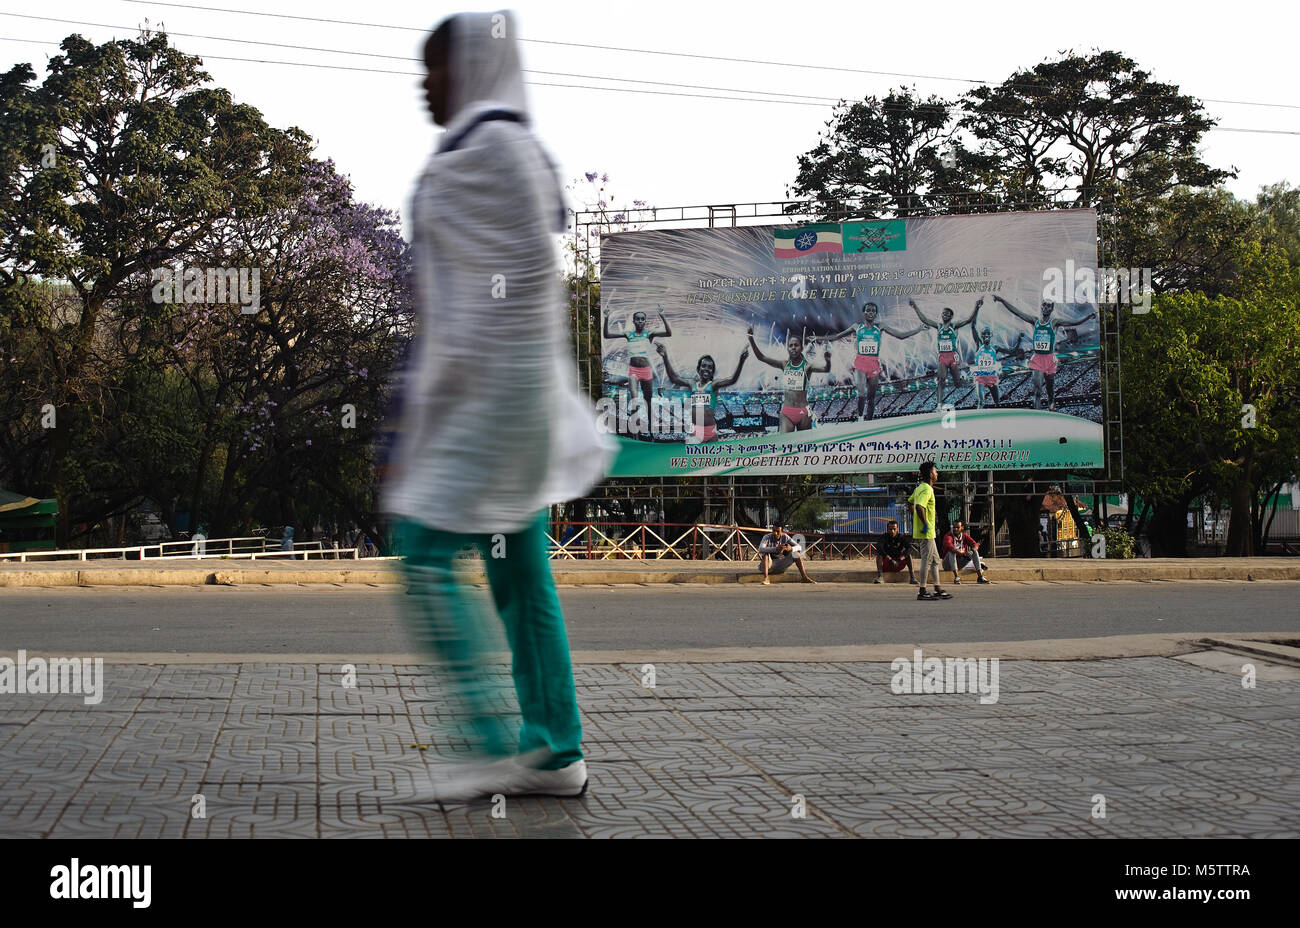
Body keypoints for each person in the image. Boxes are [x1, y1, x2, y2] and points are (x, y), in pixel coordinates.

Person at [384, 11, 614, 802]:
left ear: (472, 70)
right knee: (520, 579)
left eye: (435, 68)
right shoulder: (517, 152)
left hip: (487, 409)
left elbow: (463, 318)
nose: (424, 85)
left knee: (419, 553)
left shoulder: (477, 158)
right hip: (527, 407)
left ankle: (489, 745)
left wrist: (424, 421)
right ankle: (556, 750)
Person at [816, 302, 924, 421]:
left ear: (876, 314)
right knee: (862, 394)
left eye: (873, 311)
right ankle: (860, 418)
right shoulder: (857, 326)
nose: (871, 313)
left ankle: (869, 421)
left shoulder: (880, 327)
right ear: (864, 313)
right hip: (860, 363)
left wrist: (918, 329)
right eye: (868, 310)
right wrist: (819, 338)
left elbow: (901, 336)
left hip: (874, 365)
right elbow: (837, 337)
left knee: (871, 398)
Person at [989, 295, 1097, 411]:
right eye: (1044, 305)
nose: (1046, 307)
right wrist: (1002, 300)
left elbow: (1073, 322)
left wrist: (1087, 317)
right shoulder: (1035, 321)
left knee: (1050, 388)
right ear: (1041, 307)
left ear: (1051, 309)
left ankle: (1051, 401)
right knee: (1037, 391)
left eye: (1048, 306)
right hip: (1038, 359)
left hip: (1049, 359)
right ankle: (1038, 416)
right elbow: (1018, 313)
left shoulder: (1054, 322)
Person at [656, 342, 747, 443]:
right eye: (704, 366)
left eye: (710, 367)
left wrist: (741, 361)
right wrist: (665, 357)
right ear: (698, 369)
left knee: (711, 458)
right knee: (695, 457)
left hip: (710, 431)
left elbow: (732, 379)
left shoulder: (714, 385)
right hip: (695, 431)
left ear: (712, 372)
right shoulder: (692, 383)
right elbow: (674, 378)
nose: (706, 369)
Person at [747, 327, 832, 432]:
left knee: (804, 446)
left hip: (803, 411)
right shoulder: (784, 364)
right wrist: (751, 339)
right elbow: (761, 357)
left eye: (796, 345)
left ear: (801, 348)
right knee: (786, 445)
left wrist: (828, 361)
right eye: (790, 346)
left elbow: (826, 369)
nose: (793, 348)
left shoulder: (807, 366)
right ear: (788, 349)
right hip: (787, 411)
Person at [909, 298, 981, 409]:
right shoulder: (939, 326)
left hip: (952, 356)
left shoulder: (954, 326)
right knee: (941, 380)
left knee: (957, 384)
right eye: (943, 313)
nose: (944, 315)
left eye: (947, 314)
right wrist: (915, 307)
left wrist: (976, 307)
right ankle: (938, 405)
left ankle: (961, 378)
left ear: (951, 316)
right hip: (942, 356)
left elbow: (968, 320)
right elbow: (925, 319)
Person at [603, 308, 671, 409]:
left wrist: (662, 316)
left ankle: (649, 421)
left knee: (648, 399)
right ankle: (636, 419)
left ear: (645, 321)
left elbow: (668, 333)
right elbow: (607, 335)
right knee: (634, 399)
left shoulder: (649, 334)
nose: (640, 321)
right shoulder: (628, 334)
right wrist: (606, 318)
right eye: (638, 319)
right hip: (633, 370)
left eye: (642, 319)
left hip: (646, 370)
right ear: (634, 321)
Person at [908, 460, 950, 600]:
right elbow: (920, 506)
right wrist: (925, 523)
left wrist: (914, 519)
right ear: (930, 474)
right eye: (935, 471)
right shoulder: (927, 489)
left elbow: (910, 502)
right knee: (927, 560)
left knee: (935, 560)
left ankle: (937, 588)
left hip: (924, 531)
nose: (937, 474)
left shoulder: (919, 487)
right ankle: (922, 590)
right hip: (926, 532)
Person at [942, 519, 990, 584]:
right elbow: (949, 546)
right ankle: (956, 577)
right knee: (952, 552)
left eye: (957, 527)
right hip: (947, 564)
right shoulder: (948, 536)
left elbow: (975, 545)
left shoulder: (964, 536)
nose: (955, 529)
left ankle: (980, 577)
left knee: (975, 552)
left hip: (959, 562)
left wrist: (972, 551)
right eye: (954, 527)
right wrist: (958, 552)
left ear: (962, 528)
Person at [873, 519, 917, 584]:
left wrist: (900, 559)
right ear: (887, 529)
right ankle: (880, 576)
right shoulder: (884, 537)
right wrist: (888, 558)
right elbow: (879, 548)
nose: (892, 531)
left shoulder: (901, 537)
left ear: (897, 529)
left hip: (898, 563)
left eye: (894, 529)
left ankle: (912, 577)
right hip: (887, 563)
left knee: (909, 556)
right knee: (879, 555)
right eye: (890, 529)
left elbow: (909, 548)